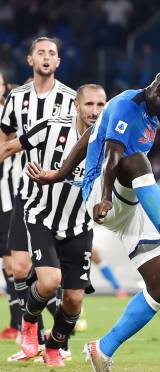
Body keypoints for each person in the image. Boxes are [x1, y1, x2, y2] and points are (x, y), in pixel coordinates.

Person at [27, 67, 160, 372]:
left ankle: (102, 349)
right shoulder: (124, 106)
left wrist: (60, 172)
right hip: (104, 195)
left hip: (129, 204)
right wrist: (102, 196)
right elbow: (113, 153)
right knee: (137, 161)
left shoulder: (150, 114)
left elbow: (91, 135)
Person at [0, 84, 106, 365]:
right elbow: (10, 146)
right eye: (89, 105)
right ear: (76, 106)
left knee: (73, 300)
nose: (95, 111)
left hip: (79, 225)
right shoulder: (51, 127)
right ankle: (29, 324)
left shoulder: (109, 141)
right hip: (41, 216)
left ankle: (54, 346)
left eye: (100, 105)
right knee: (49, 281)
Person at [0, 37, 76, 348]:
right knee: (19, 267)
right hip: (25, 191)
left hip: (62, 195)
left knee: (59, 278)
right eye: (40, 53)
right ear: (30, 60)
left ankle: (59, 341)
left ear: (58, 62)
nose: (46, 57)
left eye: (52, 53)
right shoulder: (16, 99)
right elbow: (5, 140)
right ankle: (33, 336)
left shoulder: (72, 99)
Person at [0, 69, 20, 340]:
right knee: (7, 263)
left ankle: (23, 324)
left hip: (9, 196)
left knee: (15, 262)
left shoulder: (11, 115)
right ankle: (16, 323)